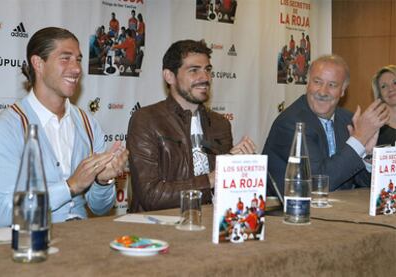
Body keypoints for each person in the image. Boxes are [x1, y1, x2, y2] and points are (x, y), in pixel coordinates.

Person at [0, 27, 128, 228]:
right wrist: (69, 187)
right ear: (38, 64)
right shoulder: (6, 129)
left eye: (78, 59)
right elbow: (1, 213)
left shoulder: (87, 123)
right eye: (65, 58)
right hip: (30, 247)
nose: (77, 68)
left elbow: (100, 208)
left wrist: (103, 182)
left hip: (81, 243)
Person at [127, 39, 256, 212]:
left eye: (207, 70)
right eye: (194, 70)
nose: (205, 78)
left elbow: (225, 194)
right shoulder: (146, 120)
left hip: (209, 225)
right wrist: (210, 179)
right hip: (160, 229)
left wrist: (234, 167)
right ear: (169, 76)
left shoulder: (220, 124)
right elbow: (151, 196)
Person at [263, 54, 389, 195]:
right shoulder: (291, 123)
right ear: (308, 84)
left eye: (332, 85)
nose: (323, 92)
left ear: (342, 91)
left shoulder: (348, 119)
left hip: (339, 210)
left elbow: (363, 182)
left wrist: (366, 155)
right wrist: (358, 140)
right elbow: (318, 182)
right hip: (293, 212)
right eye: (317, 82)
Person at [372, 65, 396, 146]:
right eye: (384, 86)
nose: (391, 89)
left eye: (395, 82)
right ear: (380, 95)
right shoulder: (374, 127)